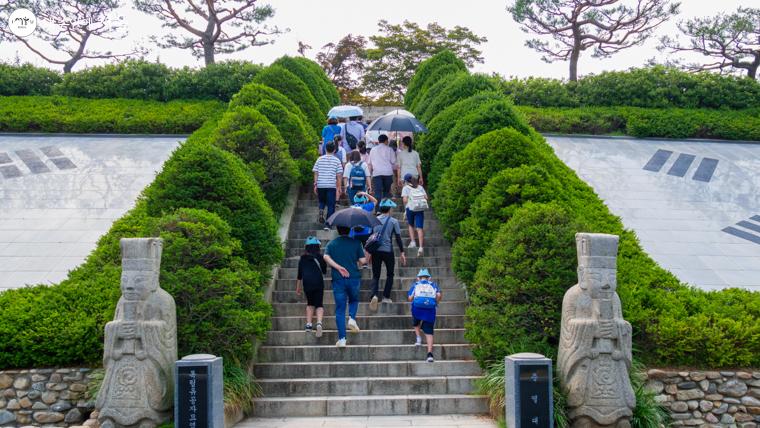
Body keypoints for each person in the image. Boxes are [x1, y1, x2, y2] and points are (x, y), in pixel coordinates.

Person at [324, 225, 368, 347]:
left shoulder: (332, 244)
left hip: (338, 279)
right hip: (353, 277)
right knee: (354, 300)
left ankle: (342, 339)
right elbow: (363, 261)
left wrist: (338, 267)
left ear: (338, 230)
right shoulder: (356, 243)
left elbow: (325, 257)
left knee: (340, 309)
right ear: (350, 230)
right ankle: (352, 318)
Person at [369, 198, 406, 311]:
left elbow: (371, 238)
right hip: (388, 251)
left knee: (376, 275)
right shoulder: (393, 221)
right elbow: (398, 238)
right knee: (390, 274)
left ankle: (374, 295)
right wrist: (402, 252)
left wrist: (369, 253)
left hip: (376, 251)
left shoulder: (374, 220)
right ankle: (386, 296)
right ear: (389, 209)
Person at [407, 268, 442, 363]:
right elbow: (438, 296)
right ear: (429, 278)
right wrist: (436, 302)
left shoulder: (415, 285)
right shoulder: (434, 285)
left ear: (418, 278)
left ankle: (418, 338)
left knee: (416, 323)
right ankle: (430, 354)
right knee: (429, 332)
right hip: (430, 310)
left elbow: (410, 298)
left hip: (417, 309)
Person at [296, 236, 327, 337]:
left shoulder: (302, 258)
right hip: (318, 282)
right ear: (318, 246)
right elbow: (324, 271)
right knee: (319, 304)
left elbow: (299, 275)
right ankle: (319, 323)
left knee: (310, 304)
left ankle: (309, 324)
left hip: (307, 283)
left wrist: (298, 287)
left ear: (306, 247)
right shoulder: (320, 257)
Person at [312, 141, 343, 229]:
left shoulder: (319, 159)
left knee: (322, 201)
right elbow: (339, 176)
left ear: (325, 149)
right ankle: (328, 225)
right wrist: (339, 187)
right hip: (331, 185)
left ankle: (321, 210)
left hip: (321, 184)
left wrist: (315, 184)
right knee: (331, 205)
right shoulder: (337, 160)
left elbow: (316, 173)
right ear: (334, 150)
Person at [401, 174, 428, 256]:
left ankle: (413, 242)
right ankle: (420, 247)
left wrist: (410, 199)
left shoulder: (405, 188)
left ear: (405, 181)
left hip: (410, 208)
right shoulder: (420, 187)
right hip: (419, 209)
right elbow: (426, 197)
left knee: (411, 225)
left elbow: (405, 200)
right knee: (419, 227)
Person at [349, 192, 377, 268]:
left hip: (354, 232)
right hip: (366, 231)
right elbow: (375, 201)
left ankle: (356, 263)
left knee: (355, 248)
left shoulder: (351, 208)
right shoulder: (367, 206)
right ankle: (365, 263)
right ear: (364, 200)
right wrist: (366, 194)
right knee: (367, 247)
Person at [368, 134, 396, 207]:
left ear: (378, 141)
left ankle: (378, 210)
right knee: (386, 192)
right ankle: (385, 209)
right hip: (388, 173)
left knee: (377, 192)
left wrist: (369, 174)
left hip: (377, 173)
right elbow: (393, 161)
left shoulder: (373, 150)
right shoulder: (390, 149)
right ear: (386, 141)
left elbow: (370, 163)